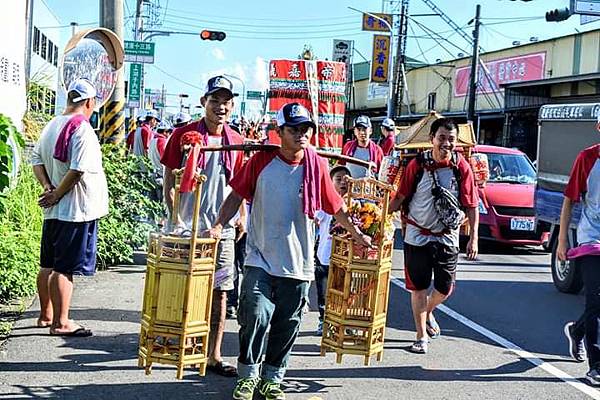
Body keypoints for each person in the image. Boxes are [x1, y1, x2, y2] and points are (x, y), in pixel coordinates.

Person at [208, 102, 371, 400]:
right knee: (254, 314)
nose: (301, 134)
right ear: (279, 132)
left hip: (298, 262)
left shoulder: (316, 166)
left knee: (288, 323)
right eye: (294, 129)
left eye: (305, 128)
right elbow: (235, 196)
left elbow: (336, 207)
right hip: (260, 256)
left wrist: (358, 233)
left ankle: (272, 378)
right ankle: (248, 375)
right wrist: (219, 224)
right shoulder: (260, 162)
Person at [161, 75, 245, 378]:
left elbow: (239, 184)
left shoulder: (235, 140)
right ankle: (179, 344)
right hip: (187, 227)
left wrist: (241, 216)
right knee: (183, 285)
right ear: (203, 103)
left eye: (226, 101)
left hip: (222, 230)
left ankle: (214, 355)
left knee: (221, 290)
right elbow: (169, 174)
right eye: (215, 100)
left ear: (232, 105)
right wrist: (174, 214)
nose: (220, 107)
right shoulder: (183, 135)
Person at [389, 118, 479, 354]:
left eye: (451, 139)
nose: (446, 144)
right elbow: (400, 197)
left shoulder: (461, 167)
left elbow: (472, 205)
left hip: (447, 236)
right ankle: (420, 336)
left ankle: (428, 311)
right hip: (417, 235)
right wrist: (380, 216)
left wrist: (473, 238)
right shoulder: (416, 166)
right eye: (442, 138)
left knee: (445, 287)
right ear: (432, 140)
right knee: (418, 287)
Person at [31, 78, 109, 337]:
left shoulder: (52, 124)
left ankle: (46, 315)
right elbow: (77, 169)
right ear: (89, 102)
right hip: (75, 209)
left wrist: (47, 187)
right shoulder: (82, 129)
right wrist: (56, 195)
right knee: (63, 268)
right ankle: (61, 322)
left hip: (56, 209)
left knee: (49, 264)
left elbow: (37, 161)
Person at [558, 121, 600, 385]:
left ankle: (576, 330)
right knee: (595, 299)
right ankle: (596, 366)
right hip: (591, 238)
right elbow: (569, 199)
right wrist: (562, 239)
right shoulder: (587, 158)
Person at [314, 164, 351, 335]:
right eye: (338, 179)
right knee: (324, 295)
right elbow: (314, 219)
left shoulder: (356, 205)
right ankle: (323, 321)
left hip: (346, 259)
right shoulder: (324, 204)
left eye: (346, 179)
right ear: (330, 183)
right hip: (324, 257)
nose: (343, 182)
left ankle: (343, 323)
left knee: (344, 294)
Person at [148, 120, 172, 203]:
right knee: (163, 203)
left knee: (152, 203)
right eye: (169, 131)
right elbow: (166, 160)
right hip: (160, 176)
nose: (170, 134)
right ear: (165, 132)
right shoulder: (162, 141)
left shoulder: (152, 141)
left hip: (152, 174)